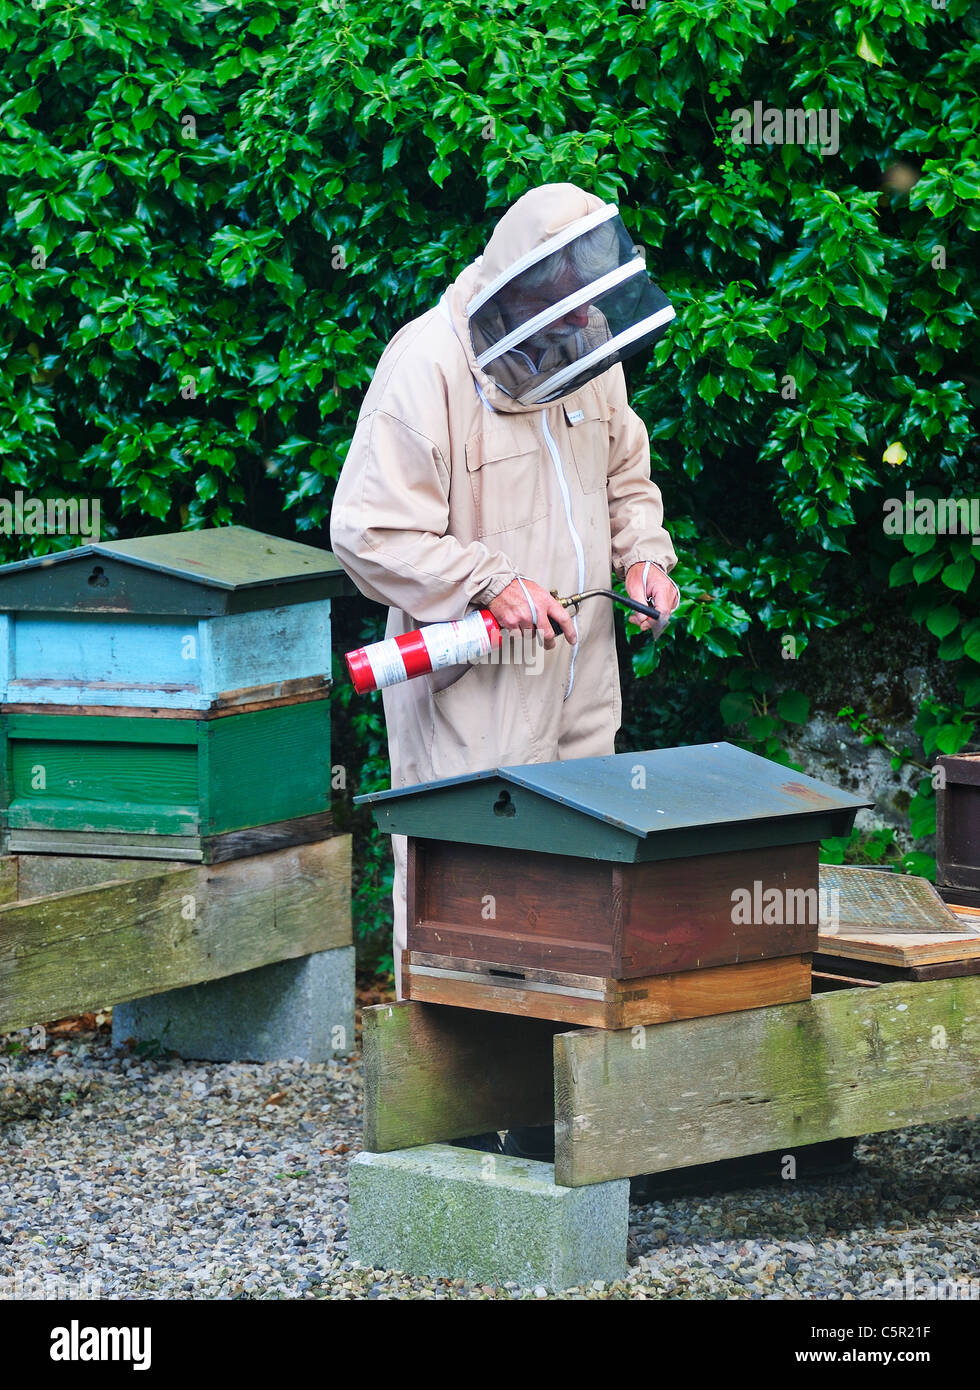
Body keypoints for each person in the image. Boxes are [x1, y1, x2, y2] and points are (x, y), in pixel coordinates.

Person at [330, 183, 680, 1155]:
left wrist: (643, 556)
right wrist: (485, 579)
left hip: (580, 677)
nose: (577, 324)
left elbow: (625, 475)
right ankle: (442, 1110)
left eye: (585, 307)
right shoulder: (426, 365)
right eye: (561, 306)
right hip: (472, 689)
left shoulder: (584, 357)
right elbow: (366, 529)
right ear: (521, 288)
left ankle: (541, 1103)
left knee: (569, 879)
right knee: (464, 875)